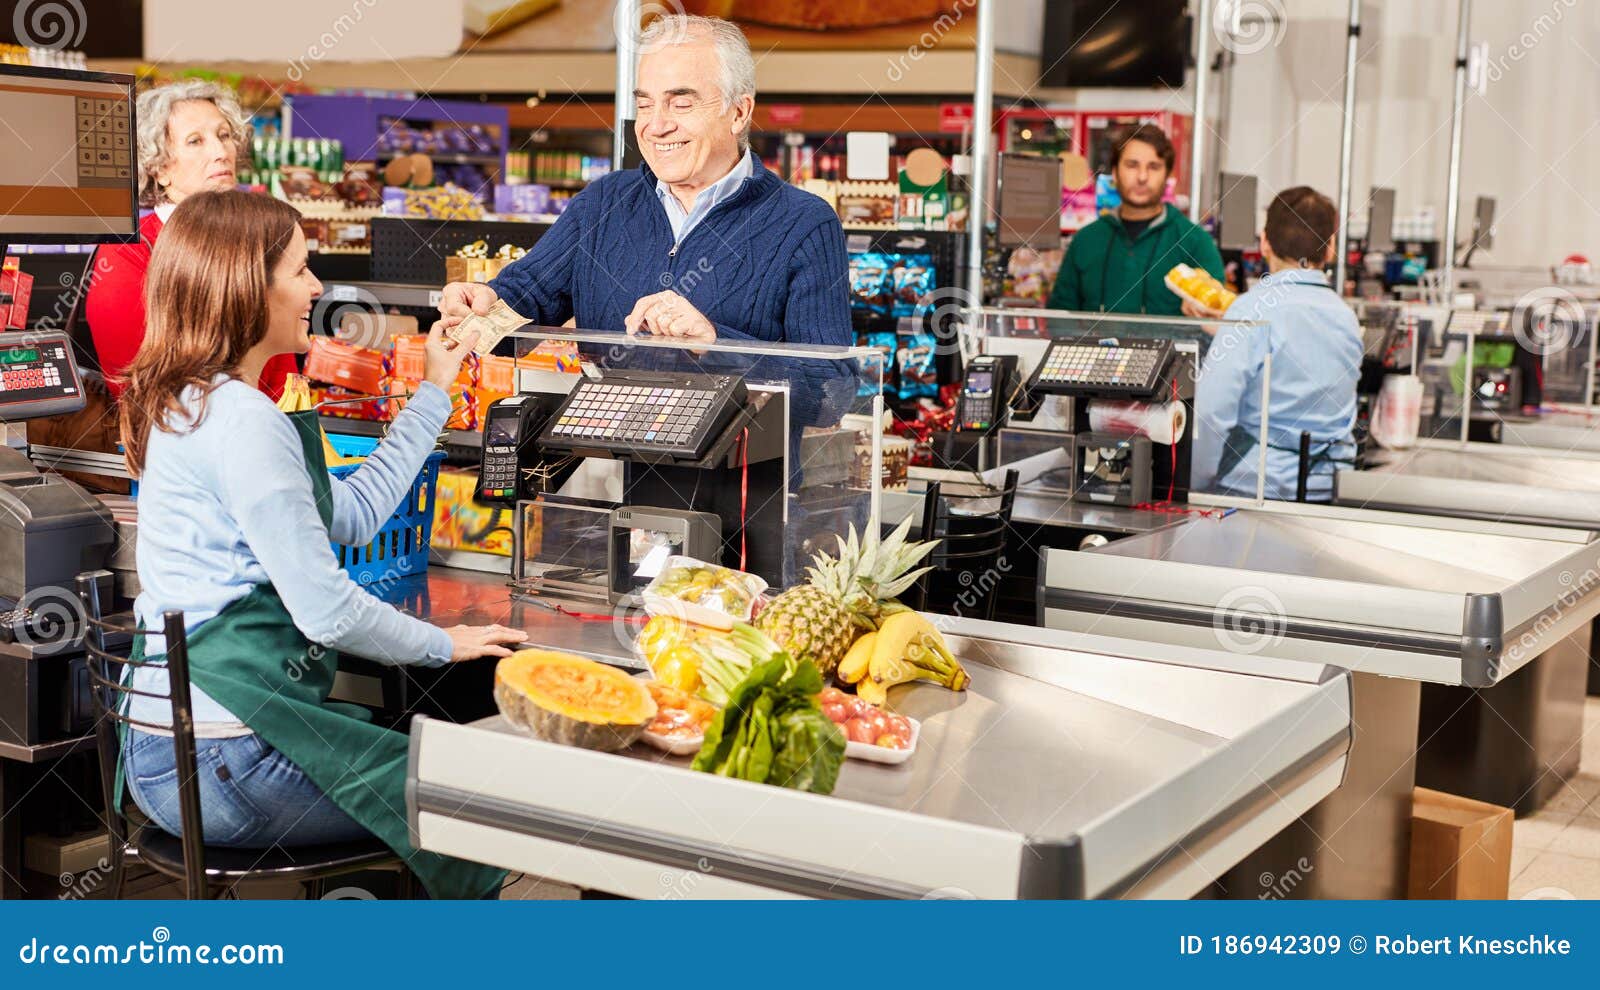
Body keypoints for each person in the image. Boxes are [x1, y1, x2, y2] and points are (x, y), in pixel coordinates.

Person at [117, 191, 524, 899]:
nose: (317, 290)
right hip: (229, 767)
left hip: (157, 760)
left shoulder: (184, 398)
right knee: (473, 808)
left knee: (419, 769)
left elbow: (357, 515)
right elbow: (328, 616)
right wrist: (446, 645)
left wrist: (434, 387)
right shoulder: (244, 423)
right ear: (246, 285)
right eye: (301, 271)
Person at [439, 14, 849, 348]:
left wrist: (714, 342)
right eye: (645, 103)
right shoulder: (603, 202)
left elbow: (830, 392)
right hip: (602, 448)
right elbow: (530, 292)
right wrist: (485, 301)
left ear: (739, 113)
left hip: (739, 452)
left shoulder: (804, 224)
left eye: (681, 103)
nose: (655, 125)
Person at [87, 80, 297, 399]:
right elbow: (135, 386)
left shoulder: (256, 240)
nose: (220, 152)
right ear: (158, 169)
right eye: (195, 141)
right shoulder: (128, 251)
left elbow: (283, 376)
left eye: (224, 135)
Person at [1192, 186, 1363, 501]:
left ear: (1264, 242)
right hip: (1329, 490)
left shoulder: (1251, 310)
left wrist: (1195, 483)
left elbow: (1211, 412)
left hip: (1253, 490)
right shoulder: (1346, 316)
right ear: (1331, 249)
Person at [1047, 124, 1225, 318]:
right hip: (1095, 349)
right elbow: (1058, 319)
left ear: (1167, 176)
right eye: (1132, 165)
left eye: (1154, 167)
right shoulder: (1085, 240)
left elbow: (1215, 321)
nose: (1142, 177)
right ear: (1114, 172)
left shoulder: (1195, 243)